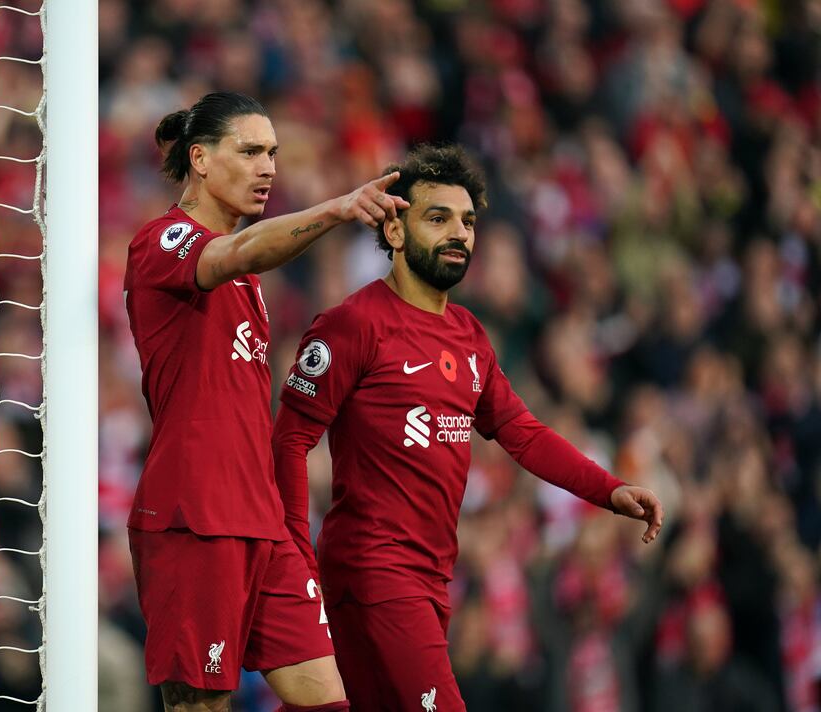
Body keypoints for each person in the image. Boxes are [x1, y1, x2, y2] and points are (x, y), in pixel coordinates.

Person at [271, 144, 665, 711]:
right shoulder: (353, 325)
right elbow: (290, 439)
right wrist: (295, 558)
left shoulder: (470, 336)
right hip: (376, 570)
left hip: (430, 577)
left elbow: (522, 432)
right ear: (396, 230)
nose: (459, 233)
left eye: (467, 221)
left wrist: (609, 490)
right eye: (438, 218)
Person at [124, 91, 409, 712]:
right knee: (200, 703)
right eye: (250, 151)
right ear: (199, 159)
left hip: (265, 521)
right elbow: (235, 250)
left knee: (331, 700)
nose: (268, 167)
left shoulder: (248, 282)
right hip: (195, 515)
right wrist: (335, 209)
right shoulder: (163, 241)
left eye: (273, 153)